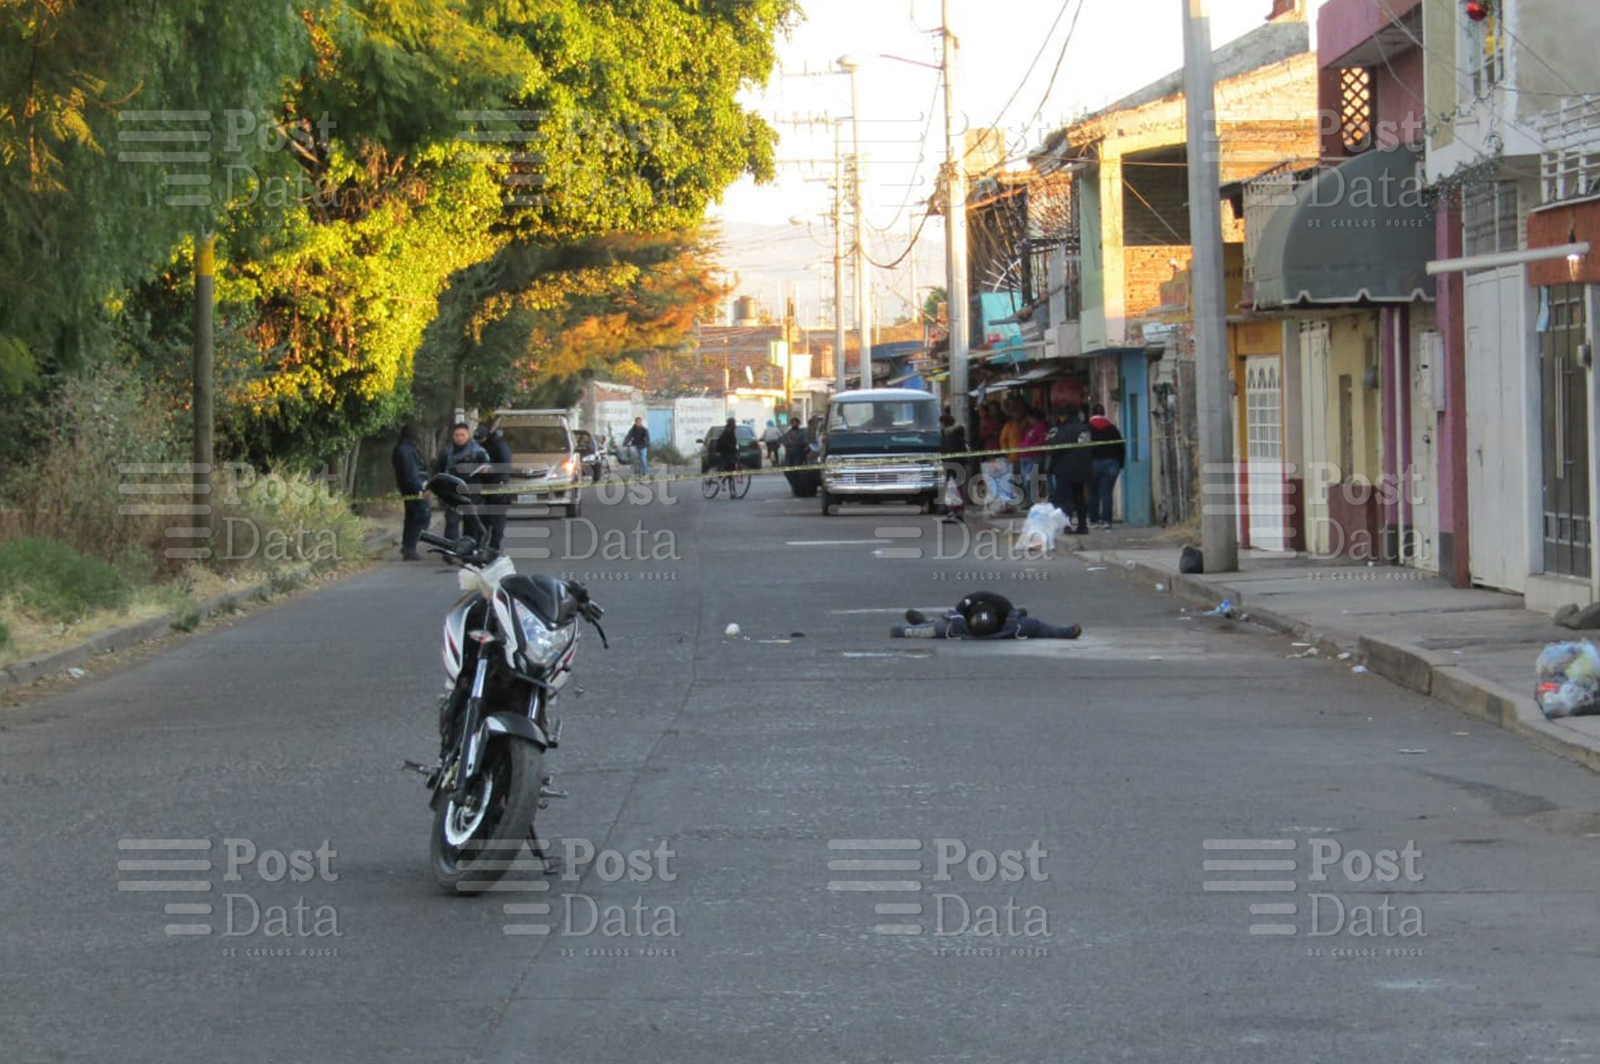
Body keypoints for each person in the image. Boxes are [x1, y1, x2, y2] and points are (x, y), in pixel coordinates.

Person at [891, 590, 1081, 640]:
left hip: (1001, 619)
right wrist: (901, 631)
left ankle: (924, 621)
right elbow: (1043, 628)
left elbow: (1045, 629)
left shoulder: (1011, 623)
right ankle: (924, 621)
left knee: (934, 628)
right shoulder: (958, 622)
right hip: (980, 620)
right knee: (932, 627)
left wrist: (899, 631)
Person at [433, 422, 490, 543]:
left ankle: (469, 549)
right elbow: (438, 471)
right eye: (456, 435)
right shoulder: (447, 452)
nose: (459, 438)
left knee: (471, 522)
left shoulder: (478, 451)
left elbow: (488, 467)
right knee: (451, 521)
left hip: (472, 491)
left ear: (468, 435)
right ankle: (450, 549)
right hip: (452, 491)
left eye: (462, 435)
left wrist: (486, 470)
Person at [1047, 405, 1093, 535]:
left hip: (1064, 469)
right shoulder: (1084, 428)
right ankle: (1082, 525)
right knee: (1079, 498)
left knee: (1064, 499)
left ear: (1063, 416)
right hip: (1082, 468)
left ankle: (1066, 525)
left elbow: (1054, 447)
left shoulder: (1062, 429)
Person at [391, 424, 431, 561]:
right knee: (420, 517)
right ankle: (410, 547)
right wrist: (419, 488)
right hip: (414, 488)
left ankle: (408, 546)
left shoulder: (404, 448)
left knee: (412, 517)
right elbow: (411, 472)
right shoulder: (406, 450)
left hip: (409, 487)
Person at [474, 420, 512, 553]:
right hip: (483, 487)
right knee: (482, 518)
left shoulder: (499, 445)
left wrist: (493, 473)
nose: (480, 442)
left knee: (497, 519)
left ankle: (494, 546)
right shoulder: (480, 446)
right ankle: (480, 545)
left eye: (482, 439)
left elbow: (505, 466)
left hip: (497, 487)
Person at [1088, 403, 1126, 531]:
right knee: (1106, 493)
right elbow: (1121, 447)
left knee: (1093, 493)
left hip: (1092, 464)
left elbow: (1082, 448)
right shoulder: (1112, 429)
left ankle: (1094, 520)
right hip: (1111, 463)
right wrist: (1120, 464)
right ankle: (1107, 521)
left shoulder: (1087, 428)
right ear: (1104, 413)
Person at [1019, 407, 1049, 507]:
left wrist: (1031, 447)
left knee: (1029, 480)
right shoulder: (1029, 428)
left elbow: (1042, 440)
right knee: (1025, 481)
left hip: (1034, 457)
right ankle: (1030, 501)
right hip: (1024, 457)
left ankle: (1032, 502)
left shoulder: (1041, 427)